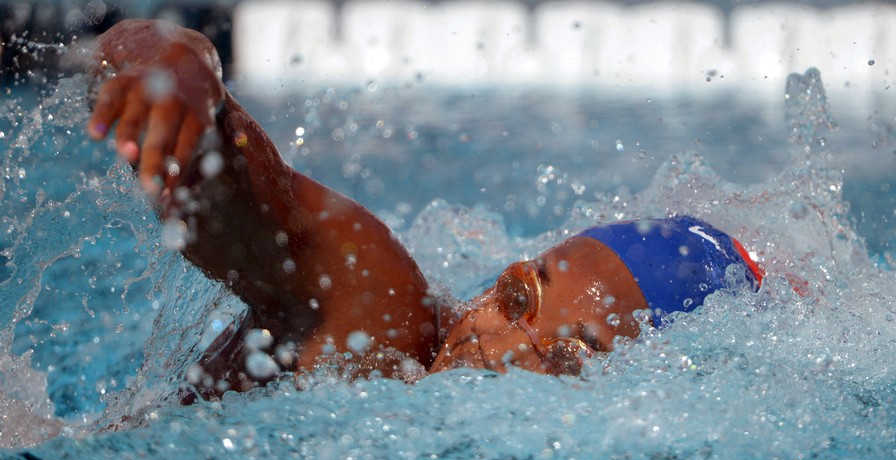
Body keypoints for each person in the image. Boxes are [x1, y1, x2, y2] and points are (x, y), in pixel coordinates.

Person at [85, 19, 763, 403]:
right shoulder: (382, 314)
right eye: (520, 297)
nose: (498, 346)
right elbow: (269, 205)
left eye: (569, 355)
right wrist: (187, 75)